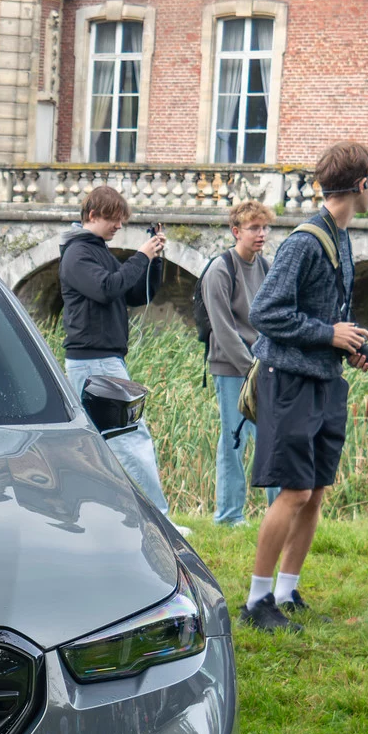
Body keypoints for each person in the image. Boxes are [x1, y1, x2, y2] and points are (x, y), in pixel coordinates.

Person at [241, 141, 368, 634]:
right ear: (362, 185)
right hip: (291, 383)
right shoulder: (305, 241)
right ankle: (257, 600)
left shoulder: (341, 237)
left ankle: (286, 591)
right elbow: (265, 313)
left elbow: (327, 314)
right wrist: (328, 334)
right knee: (295, 491)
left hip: (325, 380)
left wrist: (350, 344)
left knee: (316, 490)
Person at [58, 185, 173, 517]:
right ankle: (159, 520)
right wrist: (141, 256)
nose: (119, 226)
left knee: (99, 444)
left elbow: (132, 294)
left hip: (102, 359)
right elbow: (107, 288)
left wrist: (155, 261)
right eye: (114, 219)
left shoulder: (97, 251)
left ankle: (94, 511)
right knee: (131, 438)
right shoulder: (78, 254)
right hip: (95, 361)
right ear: (93, 215)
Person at [201, 200, 273, 525]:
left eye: (264, 227)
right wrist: (249, 370)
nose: (261, 234)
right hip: (231, 368)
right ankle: (229, 516)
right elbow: (223, 328)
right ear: (236, 231)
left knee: (272, 436)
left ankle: (280, 516)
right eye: (254, 228)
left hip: (260, 366)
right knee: (235, 439)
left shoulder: (265, 266)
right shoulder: (220, 269)